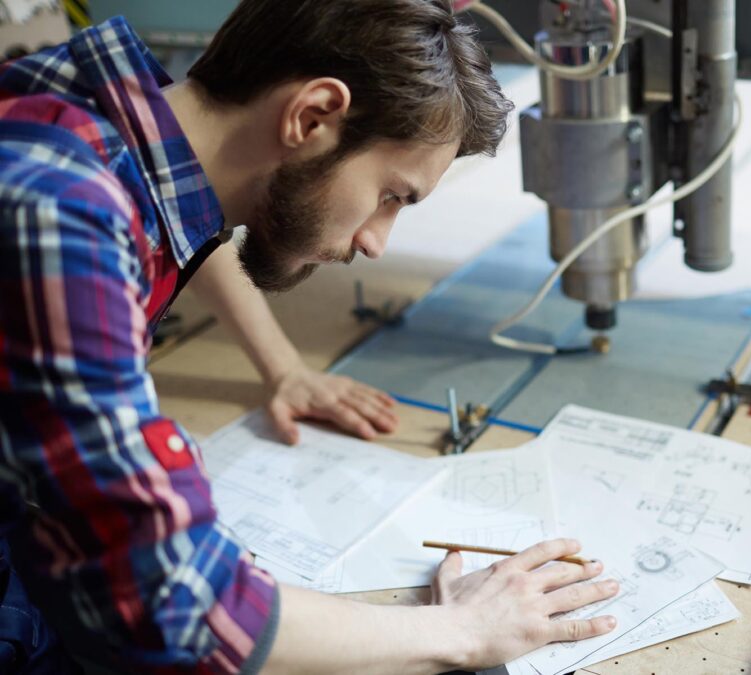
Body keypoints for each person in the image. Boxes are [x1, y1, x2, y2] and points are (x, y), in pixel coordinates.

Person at [0, 1, 619, 672]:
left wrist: (282, 367)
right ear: (313, 115)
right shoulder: (59, 211)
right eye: (391, 195)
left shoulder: (97, 122)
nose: (377, 242)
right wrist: (462, 629)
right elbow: (180, 612)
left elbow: (182, 227)